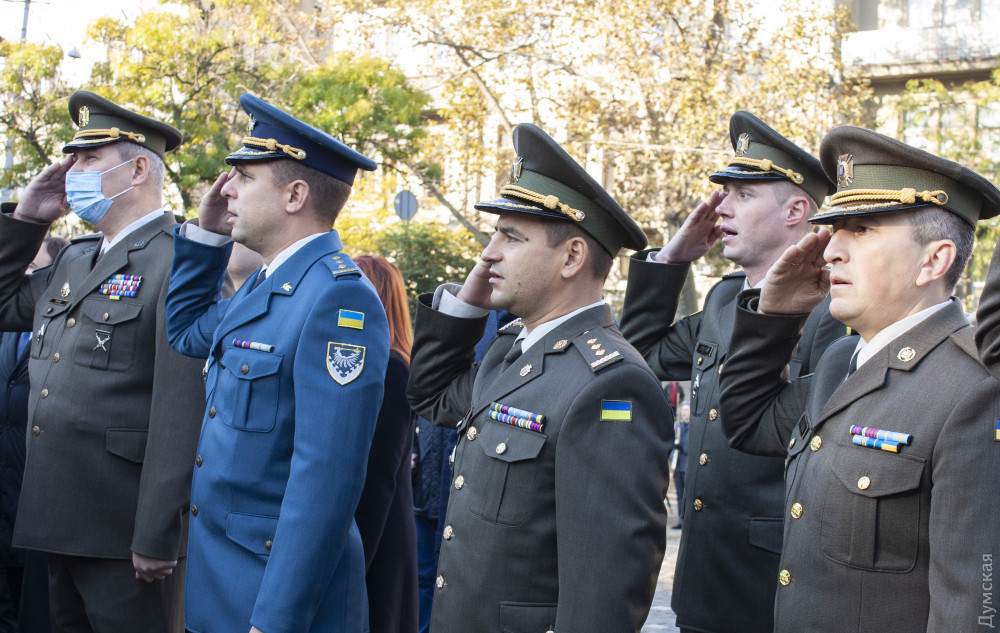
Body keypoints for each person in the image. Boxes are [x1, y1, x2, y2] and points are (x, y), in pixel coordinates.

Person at [718, 125, 1000, 632]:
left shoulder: (975, 391)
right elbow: (748, 424)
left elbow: (973, 606)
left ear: (934, 260)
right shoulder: (842, 359)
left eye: (863, 229)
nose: (831, 251)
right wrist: (774, 318)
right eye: (834, 229)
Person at [406, 122, 673, 633]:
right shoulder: (511, 351)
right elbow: (431, 395)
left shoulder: (611, 383)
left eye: (511, 237)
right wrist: (465, 307)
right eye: (496, 234)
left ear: (571, 257)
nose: (488, 253)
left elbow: (605, 591)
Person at [165, 93, 389, 633]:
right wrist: (206, 237)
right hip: (223, 586)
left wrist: (276, 620)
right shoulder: (267, 284)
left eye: (245, 177)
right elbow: (185, 332)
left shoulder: (337, 297)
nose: (226, 189)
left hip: (274, 601)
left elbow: (326, 483)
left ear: (294, 195)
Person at [619, 111, 846, 633]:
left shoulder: (833, 310)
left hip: (771, 584)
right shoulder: (723, 301)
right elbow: (640, 355)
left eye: (743, 194)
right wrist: (671, 261)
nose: (720, 206)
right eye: (724, 193)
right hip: (703, 576)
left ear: (796, 210)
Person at [0, 91, 207, 633]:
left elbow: (180, 407)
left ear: (137, 169)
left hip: (124, 532)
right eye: (72, 161)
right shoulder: (75, 257)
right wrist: (27, 219)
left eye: (89, 159)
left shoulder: (179, 260)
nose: (72, 173)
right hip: (55, 517)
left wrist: (156, 532)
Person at [0, 235, 66, 633]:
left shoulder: (63, 328)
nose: (24, 276)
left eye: (31, 268)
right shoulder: (8, 325)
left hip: (38, 495)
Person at [353, 255, 418, 633]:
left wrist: (353, 562)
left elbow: (379, 475)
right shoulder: (382, 362)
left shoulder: (391, 367)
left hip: (377, 537)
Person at [670, 400, 689, 530]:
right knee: (680, 495)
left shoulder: (694, 427)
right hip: (678, 465)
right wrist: (673, 456)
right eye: (682, 410)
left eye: (686, 410)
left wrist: (683, 449)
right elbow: (671, 445)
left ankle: (688, 522)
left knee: (688, 496)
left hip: (688, 466)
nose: (683, 412)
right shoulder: (677, 426)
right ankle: (680, 520)